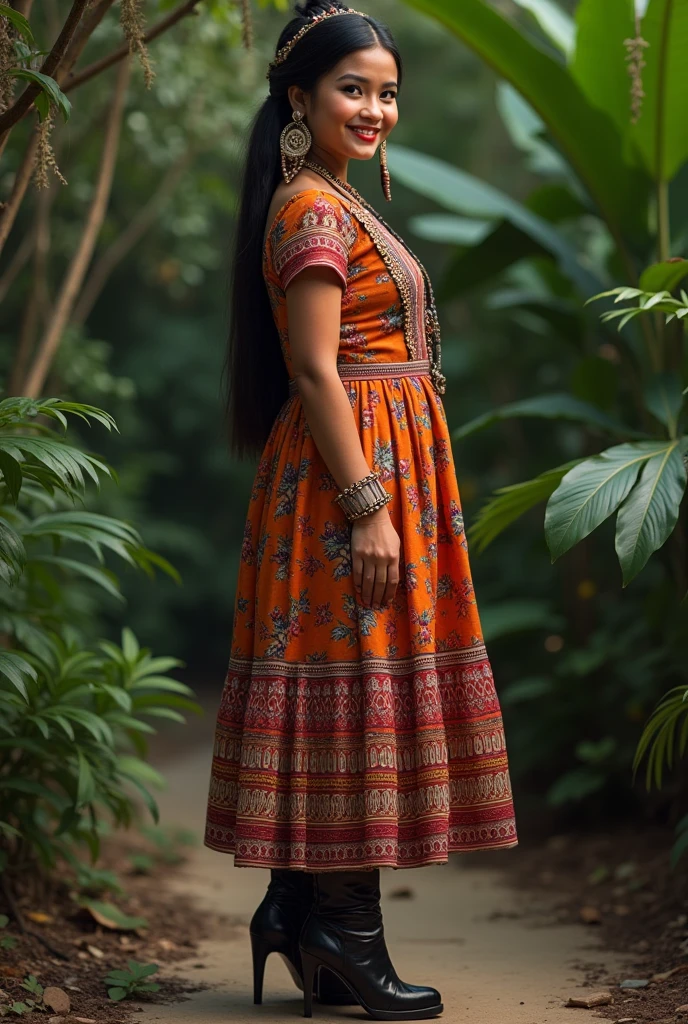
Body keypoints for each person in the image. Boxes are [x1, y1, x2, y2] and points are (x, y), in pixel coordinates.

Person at [204, 2, 518, 1018]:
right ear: (299, 98)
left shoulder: (331, 197)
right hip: (352, 483)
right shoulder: (313, 207)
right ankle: (345, 932)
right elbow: (311, 365)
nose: (376, 107)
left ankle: (299, 910)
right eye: (354, 88)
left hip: (367, 473)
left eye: (387, 90)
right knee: (360, 686)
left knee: (354, 681)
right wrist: (370, 504)